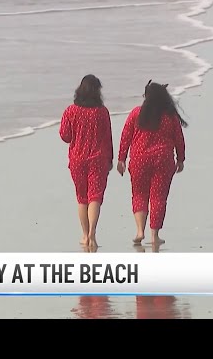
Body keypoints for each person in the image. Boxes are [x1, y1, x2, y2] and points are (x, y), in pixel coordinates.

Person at [116, 80, 186, 245]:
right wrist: (181, 159)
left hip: (139, 159)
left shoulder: (136, 113)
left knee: (139, 194)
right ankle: (154, 236)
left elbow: (125, 136)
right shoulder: (170, 117)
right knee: (158, 198)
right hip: (163, 160)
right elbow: (179, 139)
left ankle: (140, 230)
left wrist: (121, 158)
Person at [60, 74, 114, 249]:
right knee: (95, 197)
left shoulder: (70, 111)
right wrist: (111, 159)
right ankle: (93, 234)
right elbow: (108, 137)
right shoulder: (102, 112)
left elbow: (65, 136)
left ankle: (84, 235)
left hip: (77, 159)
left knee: (82, 198)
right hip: (98, 159)